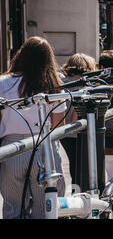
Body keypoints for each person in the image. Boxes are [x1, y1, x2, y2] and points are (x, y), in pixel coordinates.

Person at [0, 37, 67, 219]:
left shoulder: (3, 83)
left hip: (12, 148)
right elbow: (59, 124)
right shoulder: (54, 84)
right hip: (45, 146)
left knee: (12, 207)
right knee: (46, 207)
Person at [60, 53, 97, 181]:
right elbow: (77, 110)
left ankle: (76, 190)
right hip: (81, 131)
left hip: (64, 132)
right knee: (84, 166)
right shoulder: (86, 85)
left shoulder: (61, 83)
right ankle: (81, 192)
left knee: (73, 165)